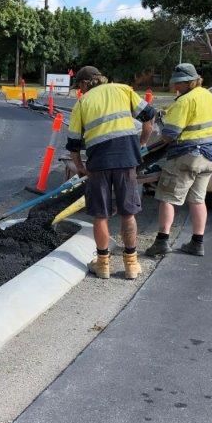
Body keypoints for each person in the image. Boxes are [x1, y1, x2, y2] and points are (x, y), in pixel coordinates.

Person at [66, 65, 156, 280]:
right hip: (126, 160)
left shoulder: (83, 103)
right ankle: (131, 264)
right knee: (128, 212)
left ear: (86, 83)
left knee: (100, 214)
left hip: (99, 163)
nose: (80, 90)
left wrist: (80, 167)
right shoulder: (124, 90)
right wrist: (141, 144)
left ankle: (103, 264)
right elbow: (150, 118)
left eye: (80, 85)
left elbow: (74, 144)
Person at [144, 63, 212, 258]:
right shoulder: (208, 96)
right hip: (208, 156)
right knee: (198, 200)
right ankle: (197, 243)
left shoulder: (184, 101)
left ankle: (162, 241)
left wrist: (157, 134)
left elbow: (170, 135)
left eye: (179, 83)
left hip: (186, 155)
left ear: (189, 82)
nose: (176, 87)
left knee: (167, 197)